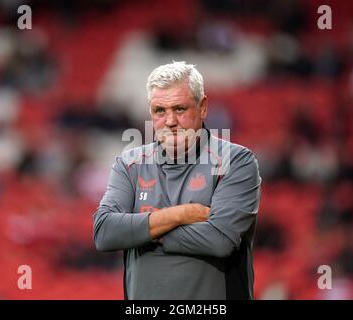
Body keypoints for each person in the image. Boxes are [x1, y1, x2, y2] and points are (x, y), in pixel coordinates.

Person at [93, 61, 262, 299]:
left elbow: (220, 240)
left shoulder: (235, 161)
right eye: (159, 111)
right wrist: (182, 215)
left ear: (203, 107)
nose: (170, 121)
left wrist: (141, 232)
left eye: (179, 109)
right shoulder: (129, 164)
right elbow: (105, 232)